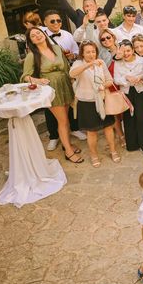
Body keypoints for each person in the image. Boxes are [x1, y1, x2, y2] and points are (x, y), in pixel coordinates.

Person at [21, 27, 82, 163]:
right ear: (31, 41)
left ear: (44, 34)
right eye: (33, 36)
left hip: (65, 85)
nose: (37, 36)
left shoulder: (56, 48)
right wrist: (38, 80)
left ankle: (67, 144)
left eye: (38, 33)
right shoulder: (32, 55)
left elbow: (66, 67)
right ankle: (68, 151)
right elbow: (25, 76)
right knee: (63, 121)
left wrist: (74, 83)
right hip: (51, 90)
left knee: (66, 118)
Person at [69, 41, 119, 167]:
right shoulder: (78, 63)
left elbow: (109, 80)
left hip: (102, 100)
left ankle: (113, 151)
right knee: (91, 132)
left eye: (93, 51)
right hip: (86, 102)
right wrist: (89, 64)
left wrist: (102, 86)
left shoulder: (101, 63)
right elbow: (72, 74)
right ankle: (93, 154)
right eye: (88, 52)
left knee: (108, 127)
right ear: (82, 53)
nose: (91, 54)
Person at [41, 9, 86, 146]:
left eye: (59, 20)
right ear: (45, 22)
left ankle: (75, 128)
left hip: (66, 73)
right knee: (51, 107)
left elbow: (76, 52)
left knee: (71, 103)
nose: (56, 23)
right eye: (52, 21)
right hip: (49, 77)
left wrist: (72, 55)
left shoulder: (66, 34)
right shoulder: (41, 37)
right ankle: (54, 136)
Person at [114, 39, 143, 157]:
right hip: (127, 93)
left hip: (141, 92)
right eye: (124, 51)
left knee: (142, 118)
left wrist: (141, 77)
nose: (126, 53)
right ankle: (133, 144)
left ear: (133, 50)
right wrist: (126, 79)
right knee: (129, 118)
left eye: (128, 50)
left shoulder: (142, 60)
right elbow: (116, 79)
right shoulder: (118, 63)